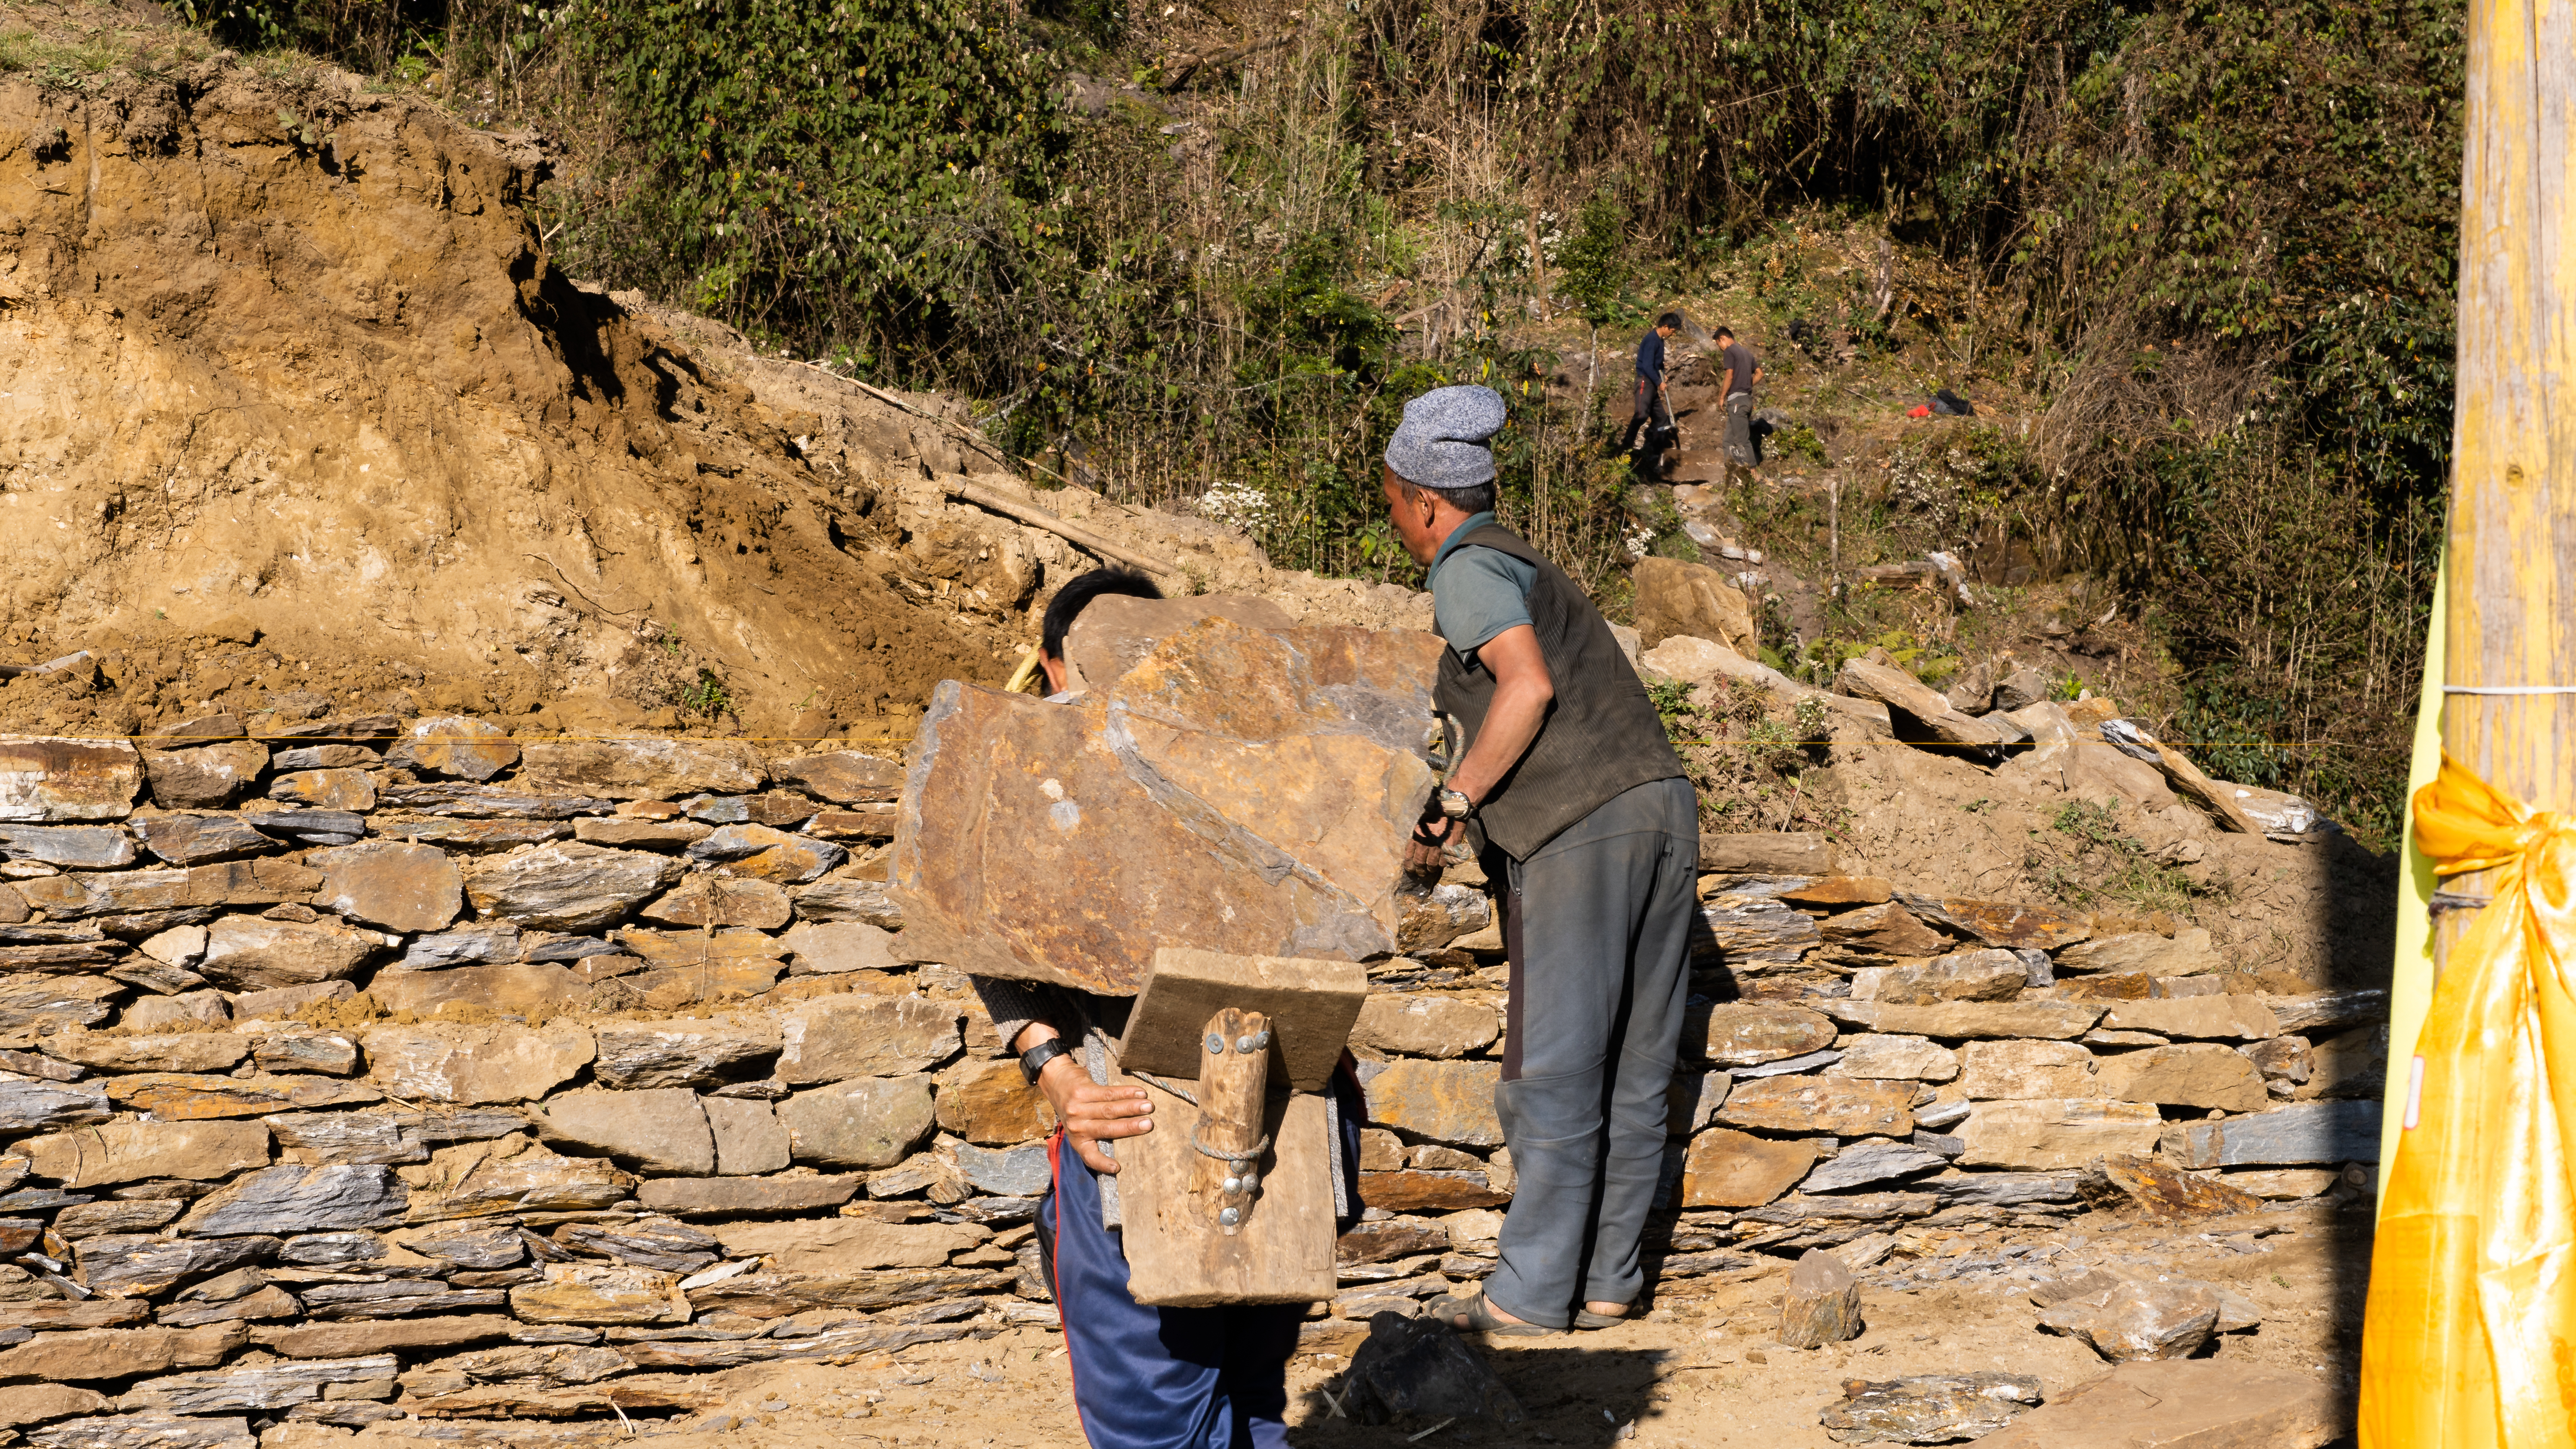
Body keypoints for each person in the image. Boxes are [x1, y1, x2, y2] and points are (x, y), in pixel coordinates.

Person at [969, 567, 1365, 1449]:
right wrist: (1060, 1077)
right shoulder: (1277, 757)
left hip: (1190, 1121)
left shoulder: (1078, 776)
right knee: (1243, 1398)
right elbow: (989, 947)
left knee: (1176, 1411)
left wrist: (1062, 1075)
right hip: (1237, 1113)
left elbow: (981, 940)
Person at [1376, 385, 1700, 1335]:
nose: (1394, 522)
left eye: (1392, 503)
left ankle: (1525, 1296)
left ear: (1426, 502)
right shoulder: (1527, 560)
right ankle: (1608, 1283)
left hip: (1581, 826)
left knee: (1552, 1065)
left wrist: (1454, 801)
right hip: (1660, 806)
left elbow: (1526, 687)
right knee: (1637, 1062)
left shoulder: (1468, 566)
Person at [1620, 312, 1684, 454]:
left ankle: (1656, 451)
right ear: (1665, 327)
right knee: (1641, 415)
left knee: (1662, 419)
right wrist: (1659, 382)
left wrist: (1663, 376)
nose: (1673, 334)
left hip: (1652, 383)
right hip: (1645, 381)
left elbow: (1658, 364)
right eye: (1673, 331)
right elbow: (1648, 366)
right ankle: (1625, 447)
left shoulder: (1660, 341)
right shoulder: (1652, 340)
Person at [1715, 325, 1763, 466]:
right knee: (1728, 441)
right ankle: (1729, 471)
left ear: (1722, 339)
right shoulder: (1747, 353)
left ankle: (1752, 470)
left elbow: (1729, 375)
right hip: (1746, 400)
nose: (1720, 349)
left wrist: (1722, 397)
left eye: (1719, 345)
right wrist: (1747, 385)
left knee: (1742, 441)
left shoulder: (1730, 351)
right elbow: (1760, 374)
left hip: (1737, 402)